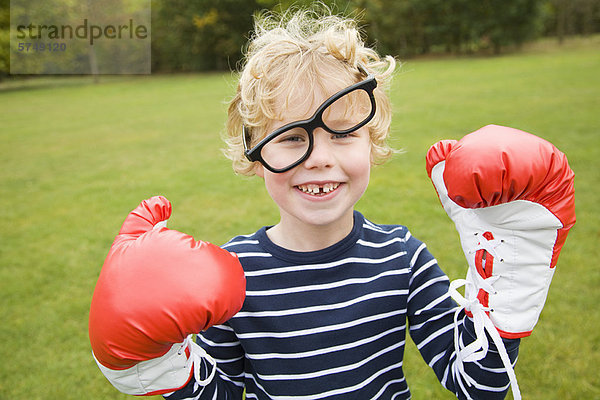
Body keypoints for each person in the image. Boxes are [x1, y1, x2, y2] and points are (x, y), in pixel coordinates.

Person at [88, 6, 576, 400]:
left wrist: (513, 284)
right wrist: (156, 368)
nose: (319, 158)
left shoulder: (401, 258)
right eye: (291, 137)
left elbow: (477, 384)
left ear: (372, 141)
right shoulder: (232, 277)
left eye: (343, 132)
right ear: (255, 156)